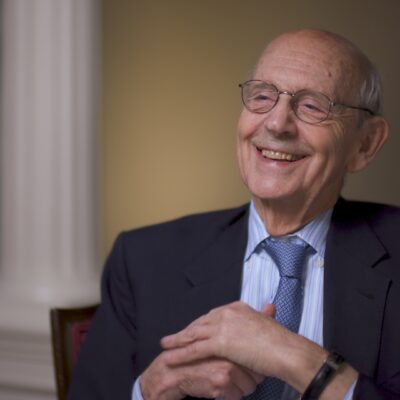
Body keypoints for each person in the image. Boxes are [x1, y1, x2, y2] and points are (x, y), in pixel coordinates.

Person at [68, 29, 400, 400]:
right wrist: (151, 389)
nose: (276, 124)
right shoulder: (143, 260)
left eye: (312, 106)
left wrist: (298, 359)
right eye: (262, 96)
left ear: (365, 144)